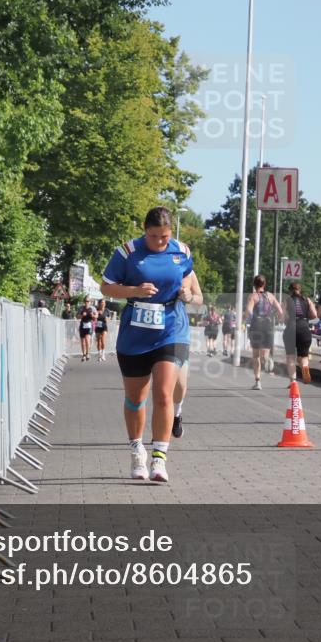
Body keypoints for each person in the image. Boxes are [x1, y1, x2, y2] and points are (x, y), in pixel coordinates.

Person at [101, 207, 203, 483]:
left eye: (164, 236)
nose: (159, 241)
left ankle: (159, 457)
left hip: (171, 328)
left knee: (163, 393)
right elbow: (106, 287)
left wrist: (187, 295)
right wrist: (134, 290)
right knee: (135, 399)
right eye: (154, 236)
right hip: (136, 332)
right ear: (145, 231)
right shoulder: (127, 252)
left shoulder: (181, 251)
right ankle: (137, 451)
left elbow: (194, 291)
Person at [245, 275, 283, 390]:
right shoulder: (270, 296)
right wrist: (278, 318)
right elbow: (280, 310)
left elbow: (249, 311)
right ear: (264, 284)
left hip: (257, 326)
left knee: (255, 355)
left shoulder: (253, 296)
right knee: (264, 353)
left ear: (254, 284)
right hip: (268, 325)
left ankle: (258, 381)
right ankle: (267, 358)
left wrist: (248, 320)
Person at [282, 281, 317, 384]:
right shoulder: (307, 300)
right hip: (304, 328)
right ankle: (305, 366)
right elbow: (314, 315)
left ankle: (293, 381)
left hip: (291, 328)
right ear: (300, 290)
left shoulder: (287, 300)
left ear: (290, 291)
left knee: (290, 357)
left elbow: (282, 317)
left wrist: (287, 320)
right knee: (304, 356)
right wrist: (305, 317)